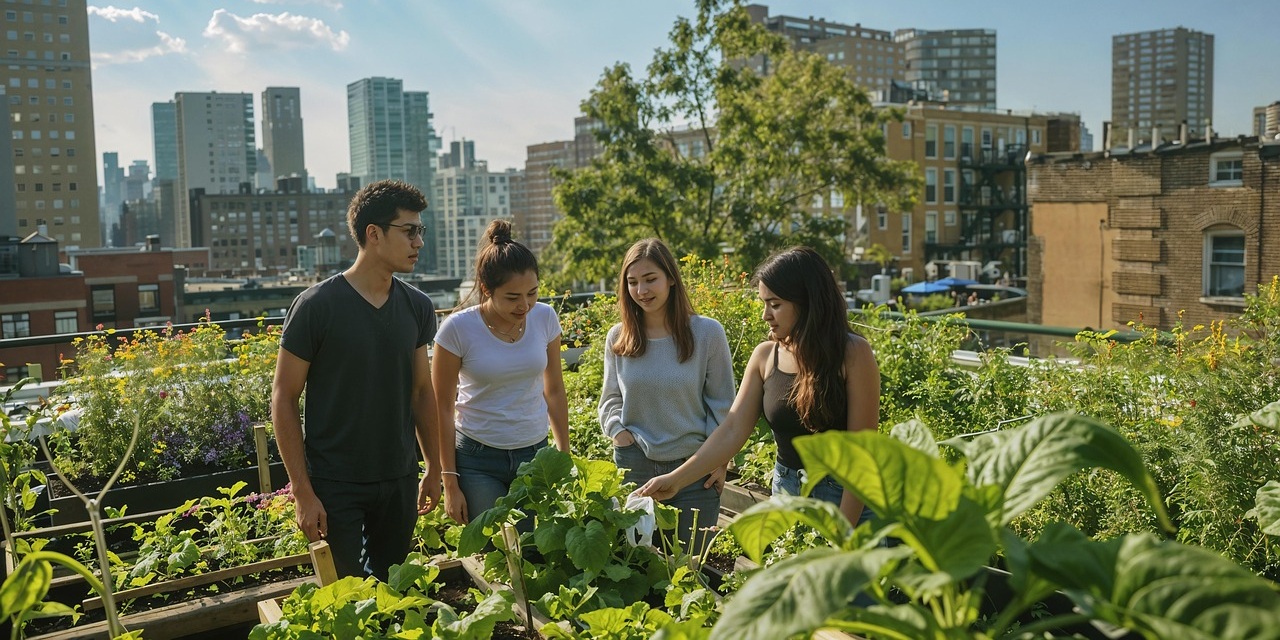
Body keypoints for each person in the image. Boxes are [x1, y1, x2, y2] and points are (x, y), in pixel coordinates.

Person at [272, 179, 441, 580]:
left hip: (399, 478)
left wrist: (433, 467)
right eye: (410, 231)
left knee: (394, 590)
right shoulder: (316, 306)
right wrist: (302, 491)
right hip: (335, 485)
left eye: (421, 230)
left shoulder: (417, 306)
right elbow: (283, 397)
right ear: (373, 234)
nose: (419, 242)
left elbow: (422, 391)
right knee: (345, 598)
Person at [638, 247, 881, 526]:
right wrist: (676, 480)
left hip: (844, 499)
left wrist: (843, 535)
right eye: (763, 303)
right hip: (786, 493)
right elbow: (731, 430)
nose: (766, 314)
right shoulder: (766, 356)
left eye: (775, 304)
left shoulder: (853, 353)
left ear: (807, 301)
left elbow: (861, 455)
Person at [600, 239, 735, 554]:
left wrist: (720, 460)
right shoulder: (618, 337)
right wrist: (620, 435)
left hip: (695, 469)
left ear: (671, 279)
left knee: (688, 568)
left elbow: (723, 407)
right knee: (637, 565)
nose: (641, 290)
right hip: (635, 467)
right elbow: (609, 400)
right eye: (632, 282)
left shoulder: (707, 334)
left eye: (650, 279)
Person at [433, 220, 571, 525]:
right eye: (512, 297)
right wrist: (450, 482)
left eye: (532, 293)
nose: (525, 305)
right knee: (497, 550)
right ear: (486, 289)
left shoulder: (545, 318)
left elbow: (555, 390)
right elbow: (441, 406)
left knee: (536, 551)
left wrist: (564, 455)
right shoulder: (457, 329)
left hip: (536, 454)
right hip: (477, 459)